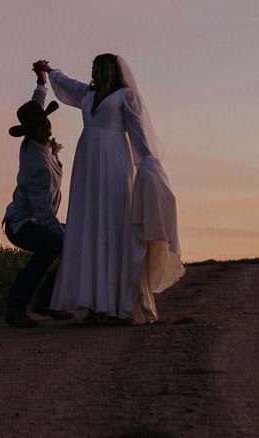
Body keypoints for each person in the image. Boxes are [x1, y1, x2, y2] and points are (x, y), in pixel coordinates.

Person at [34, 53, 183, 323]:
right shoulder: (88, 95)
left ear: (109, 69)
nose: (93, 72)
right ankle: (93, 303)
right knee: (90, 226)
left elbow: (137, 131)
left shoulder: (126, 96)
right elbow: (67, 83)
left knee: (113, 224)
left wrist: (149, 162)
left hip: (114, 161)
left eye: (97, 67)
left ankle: (115, 305)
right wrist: (49, 71)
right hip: (88, 163)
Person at [1, 77, 75, 327]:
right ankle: (15, 307)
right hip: (21, 223)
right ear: (29, 133)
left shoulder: (42, 145)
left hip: (37, 220)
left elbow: (36, 105)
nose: (44, 125)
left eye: (44, 120)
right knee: (55, 244)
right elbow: (43, 213)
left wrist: (41, 83)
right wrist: (65, 236)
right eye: (37, 125)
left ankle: (49, 301)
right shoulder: (37, 164)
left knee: (78, 241)